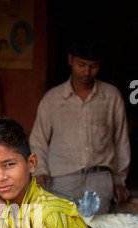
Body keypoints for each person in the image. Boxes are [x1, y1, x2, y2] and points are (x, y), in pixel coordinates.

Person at [29, 37, 131, 214]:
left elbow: (121, 142)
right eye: (81, 64)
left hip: (100, 180)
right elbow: (38, 140)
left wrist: (118, 181)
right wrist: (41, 171)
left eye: (94, 66)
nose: (87, 72)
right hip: (60, 182)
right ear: (70, 60)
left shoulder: (112, 97)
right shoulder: (52, 99)